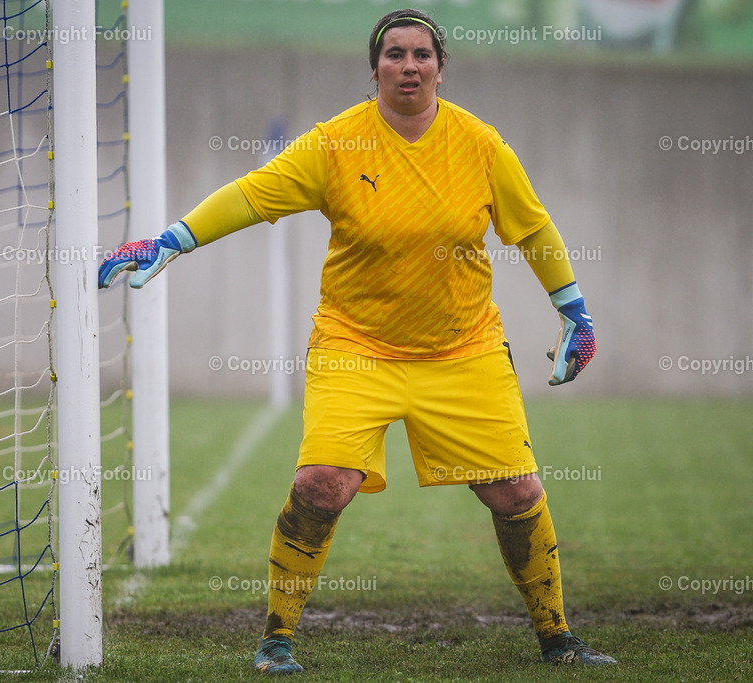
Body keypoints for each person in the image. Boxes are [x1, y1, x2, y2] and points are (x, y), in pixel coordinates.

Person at [98, 7, 615, 674]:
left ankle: (558, 637)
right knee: (322, 483)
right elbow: (252, 195)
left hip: (463, 348)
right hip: (355, 345)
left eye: (421, 54)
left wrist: (576, 312)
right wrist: (173, 239)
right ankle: (276, 638)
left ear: (440, 66)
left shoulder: (481, 144)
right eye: (394, 54)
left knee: (517, 492)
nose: (409, 64)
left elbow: (535, 229)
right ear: (374, 69)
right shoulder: (335, 143)